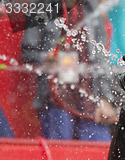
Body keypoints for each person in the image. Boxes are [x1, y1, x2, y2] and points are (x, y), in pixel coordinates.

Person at [20, 0, 117, 141]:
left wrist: (105, 98)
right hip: (56, 98)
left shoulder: (91, 6)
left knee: (100, 154)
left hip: (89, 98)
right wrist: (48, 56)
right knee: (59, 153)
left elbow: (101, 59)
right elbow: (27, 54)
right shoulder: (40, 6)